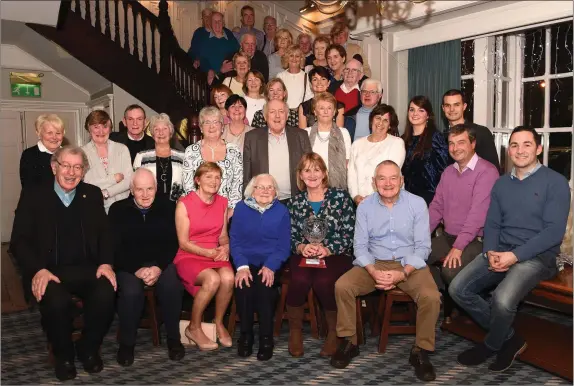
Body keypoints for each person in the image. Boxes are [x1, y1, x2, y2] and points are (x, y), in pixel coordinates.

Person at [449, 126, 570, 372]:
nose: (520, 150)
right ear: (508, 150)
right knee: (457, 288)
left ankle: (492, 344)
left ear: (539, 148)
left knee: (502, 300)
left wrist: (514, 256)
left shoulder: (555, 183)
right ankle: (509, 338)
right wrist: (491, 251)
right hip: (500, 250)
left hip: (537, 257)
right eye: (514, 145)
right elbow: (492, 222)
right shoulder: (502, 184)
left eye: (527, 144)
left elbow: (552, 233)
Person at [11, 146, 116, 381]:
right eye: (66, 165)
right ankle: (64, 355)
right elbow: (18, 242)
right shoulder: (34, 195)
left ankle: (87, 348)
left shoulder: (92, 194)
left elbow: (105, 235)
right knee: (56, 301)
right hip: (49, 271)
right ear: (54, 167)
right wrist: (38, 270)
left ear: (84, 171)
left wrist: (106, 263)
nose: (71, 172)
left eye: (77, 167)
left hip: (87, 269)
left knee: (107, 292)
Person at [331, 160, 439, 382]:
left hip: (409, 263)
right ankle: (349, 341)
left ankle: (421, 351)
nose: (387, 183)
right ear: (374, 182)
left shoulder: (417, 204)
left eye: (393, 178)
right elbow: (359, 246)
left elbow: (423, 247)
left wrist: (403, 273)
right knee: (342, 286)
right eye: (382, 178)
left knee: (431, 296)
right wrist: (372, 271)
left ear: (401, 181)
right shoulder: (365, 206)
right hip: (375, 262)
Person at [109, 169, 185, 366]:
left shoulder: (168, 206)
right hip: (129, 263)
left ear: (156, 188)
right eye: (140, 189)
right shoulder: (118, 210)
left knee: (172, 286)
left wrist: (158, 267)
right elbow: (114, 247)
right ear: (132, 190)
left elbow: (173, 243)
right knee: (131, 293)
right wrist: (137, 269)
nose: (145, 194)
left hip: (160, 261)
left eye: (149, 189)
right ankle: (126, 344)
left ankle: (174, 339)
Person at [286, 153, 355, 358]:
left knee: (324, 281)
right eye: (307, 170)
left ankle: (334, 331)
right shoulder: (294, 203)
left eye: (317, 169)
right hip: (304, 254)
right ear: (300, 175)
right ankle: (295, 331)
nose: (312, 174)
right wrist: (300, 247)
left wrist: (328, 249)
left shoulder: (341, 197)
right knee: (299, 278)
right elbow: (288, 235)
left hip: (336, 254)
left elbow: (350, 232)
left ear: (324, 173)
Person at [427, 124, 499, 306]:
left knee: (449, 272)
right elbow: (436, 208)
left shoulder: (487, 171)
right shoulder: (448, 172)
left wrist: (458, 247)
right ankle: (442, 299)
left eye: (461, 142)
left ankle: (477, 306)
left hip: (476, 240)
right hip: (448, 237)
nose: (455, 148)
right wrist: (419, 236)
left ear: (472, 144)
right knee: (412, 255)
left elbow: (477, 216)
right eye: (451, 143)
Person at [230, 174, 291, 360]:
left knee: (265, 288)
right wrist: (241, 266)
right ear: (252, 190)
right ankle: (246, 336)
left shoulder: (281, 211)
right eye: (260, 187)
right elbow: (235, 241)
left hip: (271, 262)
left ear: (275, 192)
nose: (265, 191)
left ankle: (266, 338)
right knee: (244, 287)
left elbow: (283, 246)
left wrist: (271, 266)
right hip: (245, 261)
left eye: (269, 187)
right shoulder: (241, 209)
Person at [175, 162, 234, 351]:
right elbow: (183, 242)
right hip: (190, 254)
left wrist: (226, 247)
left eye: (217, 177)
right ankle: (194, 326)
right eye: (208, 176)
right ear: (197, 180)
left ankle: (218, 323)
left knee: (228, 277)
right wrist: (207, 252)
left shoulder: (223, 202)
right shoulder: (184, 204)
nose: (214, 181)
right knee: (212, 279)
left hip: (215, 253)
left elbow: (223, 235)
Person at [243, 99, 312, 203]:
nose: (277, 116)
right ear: (265, 116)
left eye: (281, 111)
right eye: (272, 112)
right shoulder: (252, 138)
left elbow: (309, 169)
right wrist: (247, 203)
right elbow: (246, 175)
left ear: (287, 115)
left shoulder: (301, 135)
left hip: (296, 200)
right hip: (263, 201)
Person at [182, 106, 243, 213]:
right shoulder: (190, 151)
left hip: (227, 212)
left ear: (222, 126)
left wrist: (230, 210)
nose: (212, 127)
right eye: (207, 122)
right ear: (201, 127)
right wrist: (198, 209)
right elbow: (188, 186)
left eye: (216, 122)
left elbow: (237, 184)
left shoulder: (234, 150)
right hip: (198, 211)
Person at [348, 104, 406, 205]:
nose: (380, 123)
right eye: (378, 118)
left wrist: (373, 199)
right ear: (371, 121)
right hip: (361, 203)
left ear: (390, 125)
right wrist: (355, 196)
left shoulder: (396, 143)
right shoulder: (357, 144)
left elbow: (391, 176)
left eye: (385, 120)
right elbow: (351, 173)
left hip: (388, 201)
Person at [401, 95, 449, 206]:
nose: (415, 114)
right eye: (412, 109)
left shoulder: (436, 137)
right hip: (405, 197)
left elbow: (444, 170)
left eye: (421, 110)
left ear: (428, 115)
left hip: (429, 199)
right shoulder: (402, 140)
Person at [82, 110, 133, 213]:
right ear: (89, 128)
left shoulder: (122, 149)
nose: (101, 132)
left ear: (110, 129)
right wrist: (114, 179)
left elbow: (129, 181)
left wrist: (106, 193)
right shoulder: (81, 153)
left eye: (105, 127)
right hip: (94, 209)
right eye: (96, 127)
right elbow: (87, 184)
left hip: (122, 208)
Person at [442, 89, 500, 172]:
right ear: (443, 108)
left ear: (464, 106)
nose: (452, 109)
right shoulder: (442, 137)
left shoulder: (481, 132)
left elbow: (493, 169)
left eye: (456, 105)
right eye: (448, 105)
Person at [303, 92, 351, 189]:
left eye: (329, 108)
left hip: (337, 186)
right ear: (315, 112)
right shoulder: (305, 133)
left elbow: (347, 162)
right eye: (321, 108)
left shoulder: (343, 133)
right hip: (311, 184)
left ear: (334, 112)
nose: (325, 112)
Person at [133, 113, 186, 201]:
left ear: (170, 132)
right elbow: (135, 184)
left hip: (176, 207)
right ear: (152, 134)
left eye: (165, 128)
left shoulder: (182, 156)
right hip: (150, 206)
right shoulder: (141, 156)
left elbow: (187, 184)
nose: (161, 133)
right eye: (156, 129)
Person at [20, 114, 65, 189]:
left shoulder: (68, 155)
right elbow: (29, 187)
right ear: (39, 134)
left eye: (58, 133)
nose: (54, 137)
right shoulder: (29, 155)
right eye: (49, 133)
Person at [277, 45, 314, 110]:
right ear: (287, 58)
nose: (294, 59)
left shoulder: (306, 76)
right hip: (283, 113)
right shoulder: (280, 76)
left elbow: (309, 97)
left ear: (301, 59)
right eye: (291, 56)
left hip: (301, 114)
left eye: (297, 56)